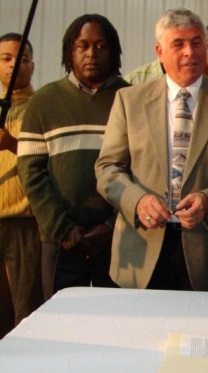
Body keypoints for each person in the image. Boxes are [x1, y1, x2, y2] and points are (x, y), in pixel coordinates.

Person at [95, 8, 208, 292]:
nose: (190, 52)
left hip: (207, 254)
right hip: (142, 249)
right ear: (160, 51)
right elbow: (107, 169)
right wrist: (137, 201)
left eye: (197, 42)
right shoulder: (128, 100)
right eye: (178, 44)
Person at [18, 14, 129, 300]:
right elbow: (31, 173)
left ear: (114, 51)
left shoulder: (133, 99)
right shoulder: (43, 102)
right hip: (61, 240)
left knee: (117, 324)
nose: (92, 53)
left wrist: (111, 225)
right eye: (83, 46)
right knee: (62, 323)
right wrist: (64, 229)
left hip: (119, 239)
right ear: (70, 50)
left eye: (101, 45)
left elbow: (146, 171)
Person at [0, 33, 43, 335]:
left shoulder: (42, 108)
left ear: (32, 66)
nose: (15, 65)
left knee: (25, 308)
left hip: (25, 222)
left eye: (22, 59)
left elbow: (48, 161)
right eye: (6, 58)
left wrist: (11, 143)